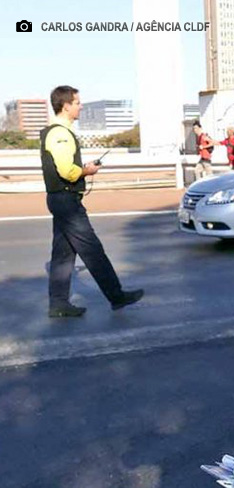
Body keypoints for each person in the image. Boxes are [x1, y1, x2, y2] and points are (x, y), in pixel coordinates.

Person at [40, 85, 144, 318]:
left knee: (63, 255)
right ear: (66, 106)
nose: (81, 106)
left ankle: (58, 305)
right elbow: (67, 171)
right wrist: (87, 171)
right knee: (92, 250)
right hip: (67, 200)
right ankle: (116, 296)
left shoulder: (55, 132)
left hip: (60, 199)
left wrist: (83, 170)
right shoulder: (60, 133)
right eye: (77, 102)